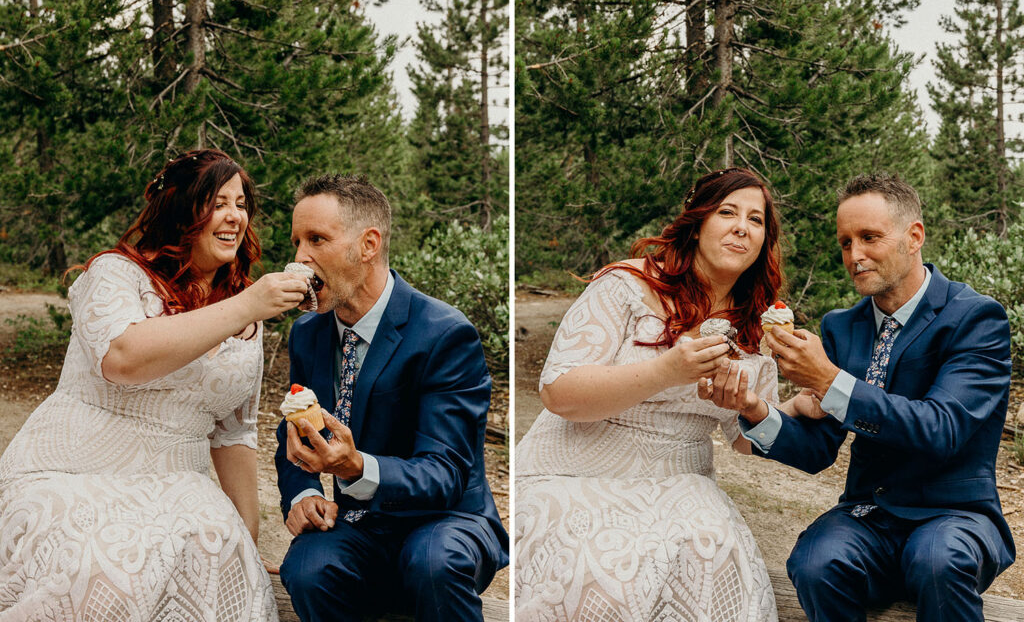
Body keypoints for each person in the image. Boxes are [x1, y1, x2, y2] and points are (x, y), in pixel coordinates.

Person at [0, 149, 310, 621]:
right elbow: (122, 357)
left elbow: (233, 433)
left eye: (241, 203)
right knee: (106, 566)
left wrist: (246, 534)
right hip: (75, 471)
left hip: (179, 486)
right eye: (217, 202)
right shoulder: (115, 274)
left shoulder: (246, 308)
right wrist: (248, 305)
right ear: (181, 209)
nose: (234, 216)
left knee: (218, 548)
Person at [515, 167, 820, 622]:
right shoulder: (626, 285)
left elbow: (740, 438)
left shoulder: (760, 324)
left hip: (681, 482)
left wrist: (780, 407)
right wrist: (667, 370)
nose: (742, 226)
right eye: (727, 212)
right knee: (607, 572)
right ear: (697, 225)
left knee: (714, 558)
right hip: (575, 473)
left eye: (756, 220)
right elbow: (559, 393)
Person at [707, 173, 1015, 622]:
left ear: (914, 236)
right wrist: (756, 409)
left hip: (956, 517)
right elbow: (818, 450)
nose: (855, 255)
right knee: (813, 562)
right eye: (845, 242)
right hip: (869, 515)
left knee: (937, 561)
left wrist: (832, 382)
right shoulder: (841, 327)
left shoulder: (976, 318)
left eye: (869, 237)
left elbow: (943, 428)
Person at [273, 175, 508, 622]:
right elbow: (292, 432)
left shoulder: (445, 333)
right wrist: (302, 492)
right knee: (305, 568)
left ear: (368, 245)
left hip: (447, 520)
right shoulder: (306, 333)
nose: (299, 258)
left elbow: (447, 474)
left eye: (316, 239)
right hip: (359, 522)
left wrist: (355, 466)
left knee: (431, 564)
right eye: (297, 241)